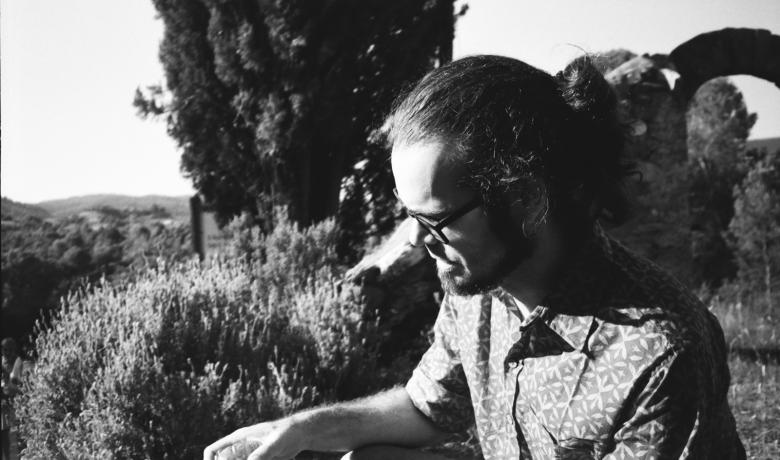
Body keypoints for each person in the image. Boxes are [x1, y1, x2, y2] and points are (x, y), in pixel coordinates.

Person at [204, 55, 745, 460]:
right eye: (411, 218)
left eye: (436, 220)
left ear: (525, 198)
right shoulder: (478, 283)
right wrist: (303, 430)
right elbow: (427, 409)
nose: (420, 242)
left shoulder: (656, 355)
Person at [2, 338, 24, 460]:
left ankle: (23, 455)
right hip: (4, 402)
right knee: (4, 434)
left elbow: (20, 383)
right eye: (4, 350)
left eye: (9, 350)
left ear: (14, 350)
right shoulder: (1, 362)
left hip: (17, 400)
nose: (7, 353)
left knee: (20, 432)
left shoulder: (18, 361)